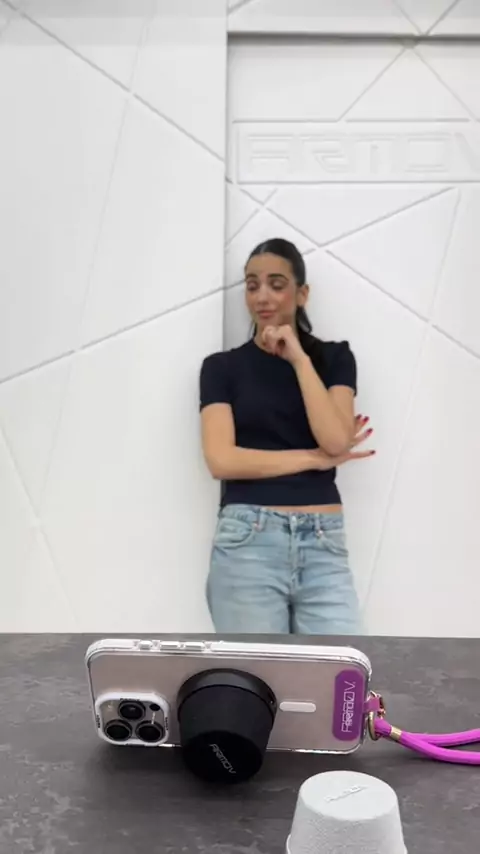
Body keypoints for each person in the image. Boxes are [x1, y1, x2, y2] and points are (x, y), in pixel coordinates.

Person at [199, 238, 375, 634]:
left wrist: (298, 359)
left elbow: (335, 440)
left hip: (323, 540)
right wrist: (314, 459)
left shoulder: (334, 358)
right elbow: (221, 460)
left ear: (302, 294)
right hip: (248, 540)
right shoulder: (221, 368)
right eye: (252, 285)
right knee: (256, 671)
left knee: (342, 668)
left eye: (276, 284)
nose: (262, 296)